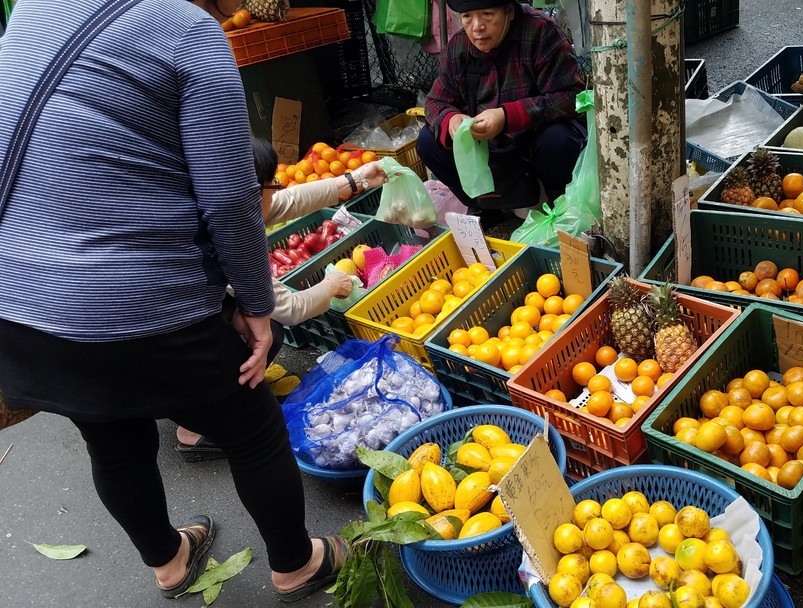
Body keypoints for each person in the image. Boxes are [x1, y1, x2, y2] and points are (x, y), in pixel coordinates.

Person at [0, 0, 344, 601]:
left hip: (25, 304)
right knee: (252, 427)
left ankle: (171, 563)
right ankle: (296, 565)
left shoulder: (31, 9)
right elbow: (231, 196)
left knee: (110, 436)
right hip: (139, 297)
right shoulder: (184, 28)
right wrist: (256, 306)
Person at [175, 137, 387, 462]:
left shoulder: (209, 203)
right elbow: (288, 308)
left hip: (130, 342)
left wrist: (353, 180)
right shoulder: (227, 239)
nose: (278, 187)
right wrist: (331, 286)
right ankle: (195, 428)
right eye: (271, 182)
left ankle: (198, 400)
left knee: (252, 317)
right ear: (250, 189)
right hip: (165, 350)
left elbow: (287, 201)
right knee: (265, 325)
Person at [417, 0, 587, 218]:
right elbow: (435, 102)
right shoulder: (458, 47)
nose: (477, 26)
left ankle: (559, 201)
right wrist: (451, 119)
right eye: (467, 16)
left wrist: (508, 116)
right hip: (489, 151)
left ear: (509, 11)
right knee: (427, 142)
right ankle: (484, 203)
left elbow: (571, 97)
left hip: (533, 144)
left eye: (487, 13)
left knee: (558, 139)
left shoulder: (541, 32)